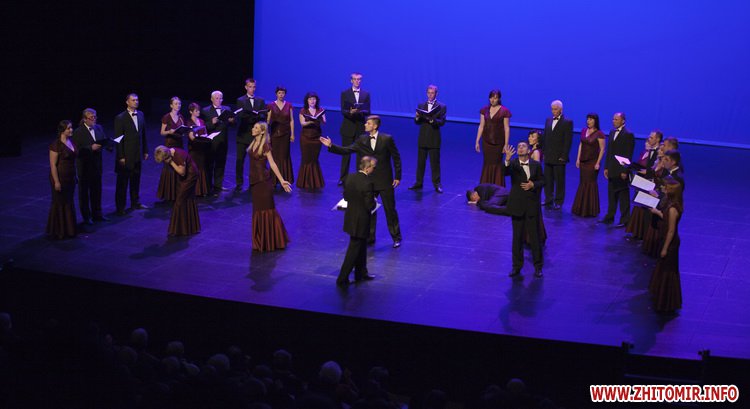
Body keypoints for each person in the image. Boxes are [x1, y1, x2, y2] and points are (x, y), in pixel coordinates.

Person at [321, 115, 403, 248]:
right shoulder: (362, 140)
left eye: (368, 123)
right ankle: (370, 237)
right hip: (369, 181)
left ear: (375, 126)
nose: (365, 125)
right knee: (369, 209)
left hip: (384, 181)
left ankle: (396, 237)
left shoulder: (387, 139)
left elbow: (396, 157)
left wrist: (398, 176)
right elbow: (347, 150)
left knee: (390, 210)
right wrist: (331, 146)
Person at [248, 122, 292, 252]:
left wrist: (282, 180)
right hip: (255, 182)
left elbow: (272, 164)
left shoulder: (265, 145)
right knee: (257, 210)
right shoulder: (253, 143)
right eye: (253, 126)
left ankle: (273, 239)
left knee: (266, 210)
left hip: (263, 182)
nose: (253, 129)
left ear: (262, 132)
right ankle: (260, 239)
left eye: (256, 128)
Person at [503, 142, 545, 278]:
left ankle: (538, 266)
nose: (520, 148)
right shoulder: (513, 164)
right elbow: (505, 172)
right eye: (519, 146)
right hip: (517, 206)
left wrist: (534, 184)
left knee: (534, 238)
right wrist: (507, 160)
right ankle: (516, 267)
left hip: (531, 206)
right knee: (517, 238)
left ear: (528, 150)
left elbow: (542, 181)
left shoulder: (536, 165)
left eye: (523, 146)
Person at [337, 156, 377, 286]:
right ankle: (342, 278)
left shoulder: (350, 177)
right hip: (361, 221)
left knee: (361, 246)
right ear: (367, 168)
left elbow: (346, 197)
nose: (374, 170)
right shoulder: (367, 183)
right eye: (373, 167)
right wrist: (373, 202)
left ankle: (361, 273)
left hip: (351, 218)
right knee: (353, 250)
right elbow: (369, 205)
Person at [648, 177, 683, 313]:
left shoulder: (673, 208)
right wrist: (658, 212)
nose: (664, 189)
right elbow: (666, 218)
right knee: (663, 269)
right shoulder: (670, 203)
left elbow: (671, 230)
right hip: (665, 238)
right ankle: (661, 297)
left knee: (668, 271)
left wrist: (665, 248)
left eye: (666, 188)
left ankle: (667, 301)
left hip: (670, 243)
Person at [71, 108, 109, 225]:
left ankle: (97, 214)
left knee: (96, 191)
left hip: (97, 165)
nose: (94, 119)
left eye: (95, 117)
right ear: (84, 119)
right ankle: (86, 217)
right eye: (91, 118)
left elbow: (103, 140)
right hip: (85, 167)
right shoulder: (78, 132)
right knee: (84, 193)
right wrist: (90, 148)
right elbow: (76, 150)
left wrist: (109, 145)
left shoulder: (99, 128)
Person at [153, 145, 201, 236]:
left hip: (190, 176)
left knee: (179, 201)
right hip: (183, 178)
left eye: (164, 160)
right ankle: (189, 228)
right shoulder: (170, 153)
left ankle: (178, 229)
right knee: (187, 200)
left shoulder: (179, 155)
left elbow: (182, 172)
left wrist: (171, 162)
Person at [114, 93, 149, 215]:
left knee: (136, 180)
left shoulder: (141, 114)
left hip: (137, 154)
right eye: (133, 100)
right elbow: (118, 139)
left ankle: (135, 202)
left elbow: (143, 134)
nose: (136, 102)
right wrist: (121, 156)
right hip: (126, 156)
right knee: (123, 183)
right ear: (127, 102)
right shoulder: (120, 118)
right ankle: (120, 207)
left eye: (137, 100)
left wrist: (145, 150)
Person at [409, 84, 446, 193]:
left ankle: (437, 184)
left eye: (432, 93)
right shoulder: (421, 105)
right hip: (423, 137)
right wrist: (417, 117)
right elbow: (417, 122)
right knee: (420, 162)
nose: (430, 95)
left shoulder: (441, 106)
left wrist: (432, 120)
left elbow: (442, 122)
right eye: (428, 93)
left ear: (436, 94)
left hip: (434, 138)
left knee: (435, 163)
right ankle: (418, 182)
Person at [600, 112, 634, 227]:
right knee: (611, 194)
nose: (613, 121)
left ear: (623, 121)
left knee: (623, 196)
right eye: (613, 119)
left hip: (621, 170)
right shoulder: (612, 132)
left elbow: (628, 154)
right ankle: (610, 216)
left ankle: (625, 219)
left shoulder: (628, 134)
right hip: (612, 169)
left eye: (616, 119)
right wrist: (606, 167)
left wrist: (625, 170)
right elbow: (610, 152)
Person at [626, 130, 662, 238]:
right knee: (641, 206)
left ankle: (646, 235)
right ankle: (639, 232)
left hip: (651, 184)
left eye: (651, 137)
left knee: (647, 209)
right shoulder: (650, 151)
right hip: (644, 181)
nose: (649, 139)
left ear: (657, 139)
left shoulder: (658, 152)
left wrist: (648, 172)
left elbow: (656, 169)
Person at [47, 120, 78, 239]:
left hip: (70, 177)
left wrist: (75, 175)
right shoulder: (56, 145)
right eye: (68, 128)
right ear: (62, 130)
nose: (71, 130)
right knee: (59, 203)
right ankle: (59, 231)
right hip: (60, 177)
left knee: (68, 202)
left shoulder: (71, 141)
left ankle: (69, 230)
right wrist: (56, 182)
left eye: (71, 127)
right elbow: (53, 165)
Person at [201, 90, 235, 197]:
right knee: (209, 165)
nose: (219, 100)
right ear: (212, 99)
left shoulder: (227, 109)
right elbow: (203, 127)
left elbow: (233, 124)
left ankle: (218, 185)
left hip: (223, 141)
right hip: (211, 142)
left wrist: (232, 121)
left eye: (220, 98)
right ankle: (208, 187)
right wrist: (212, 122)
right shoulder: (205, 111)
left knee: (221, 164)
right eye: (216, 98)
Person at [571, 113, 606, 217]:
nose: (588, 121)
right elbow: (581, 145)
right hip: (583, 162)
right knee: (583, 183)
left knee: (590, 183)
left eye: (591, 119)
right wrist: (578, 159)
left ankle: (589, 209)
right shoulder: (583, 131)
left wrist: (598, 162)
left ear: (595, 121)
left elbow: (602, 149)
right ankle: (580, 207)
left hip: (592, 163)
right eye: (587, 119)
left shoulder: (599, 134)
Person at [338, 72, 370, 185]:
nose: (357, 81)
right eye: (355, 79)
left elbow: (368, 111)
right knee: (345, 153)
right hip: (348, 127)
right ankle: (343, 178)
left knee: (360, 154)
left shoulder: (366, 94)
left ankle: (359, 177)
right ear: (351, 80)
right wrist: (350, 112)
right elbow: (343, 110)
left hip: (360, 127)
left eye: (359, 79)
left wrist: (360, 112)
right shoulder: (345, 93)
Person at [234, 78, 266, 192]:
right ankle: (239, 183)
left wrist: (259, 116)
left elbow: (263, 116)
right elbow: (240, 116)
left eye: (254, 87)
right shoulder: (240, 100)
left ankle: (254, 181)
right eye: (250, 87)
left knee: (255, 161)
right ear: (246, 87)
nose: (252, 89)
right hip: (243, 135)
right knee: (240, 160)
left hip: (255, 136)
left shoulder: (260, 101)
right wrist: (252, 117)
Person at [542, 100, 574, 210]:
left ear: (561, 109)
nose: (553, 111)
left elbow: (568, 140)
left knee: (559, 181)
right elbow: (545, 137)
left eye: (555, 109)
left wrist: (564, 156)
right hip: (548, 156)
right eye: (552, 109)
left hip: (559, 157)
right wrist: (544, 152)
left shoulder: (567, 122)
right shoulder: (548, 120)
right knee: (548, 180)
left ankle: (559, 201)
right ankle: (548, 199)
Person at [475, 89, 511, 186]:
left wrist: (506, 144)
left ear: (499, 99)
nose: (492, 100)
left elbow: (506, 128)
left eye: (495, 98)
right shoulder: (484, 110)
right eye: (491, 97)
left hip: (498, 143)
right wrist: (477, 141)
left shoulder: (505, 111)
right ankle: (486, 186)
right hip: (486, 142)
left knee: (497, 163)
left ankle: (497, 186)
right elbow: (481, 126)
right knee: (487, 162)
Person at [157, 97, 186, 202]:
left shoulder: (181, 117)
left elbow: (183, 130)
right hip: (170, 145)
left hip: (179, 145)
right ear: (171, 105)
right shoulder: (166, 117)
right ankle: (169, 193)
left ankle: (178, 192)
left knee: (179, 165)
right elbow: (162, 132)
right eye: (176, 103)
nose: (178, 105)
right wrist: (169, 131)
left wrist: (183, 132)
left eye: (179, 104)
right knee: (169, 167)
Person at [267, 85, 295, 187]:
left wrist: (292, 134)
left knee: (284, 155)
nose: (281, 95)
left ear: (285, 94)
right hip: (275, 134)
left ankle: (285, 178)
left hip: (285, 134)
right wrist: (267, 134)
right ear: (276, 94)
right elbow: (267, 121)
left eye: (283, 93)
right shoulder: (271, 105)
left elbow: (291, 120)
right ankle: (274, 180)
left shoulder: (289, 105)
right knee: (275, 156)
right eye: (279, 93)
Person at [297, 92, 326, 189]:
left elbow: (324, 122)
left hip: (316, 138)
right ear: (307, 101)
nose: (312, 101)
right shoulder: (303, 110)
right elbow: (302, 123)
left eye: (314, 99)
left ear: (316, 100)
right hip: (306, 138)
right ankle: (305, 182)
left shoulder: (320, 110)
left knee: (314, 159)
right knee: (306, 158)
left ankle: (315, 182)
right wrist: (310, 121)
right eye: (310, 99)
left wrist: (320, 119)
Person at [185, 103, 209, 196]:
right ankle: (194, 190)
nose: (198, 112)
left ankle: (202, 190)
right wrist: (199, 138)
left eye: (199, 110)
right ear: (191, 112)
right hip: (194, 149)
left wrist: (205, 137)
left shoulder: (201, 121)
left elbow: (205, 132)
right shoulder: (189, 122)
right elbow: (191, 137)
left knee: (202, 167)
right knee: (194, 168)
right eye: (196, 110)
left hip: (202, 148)